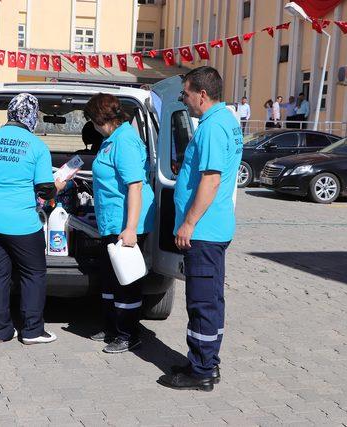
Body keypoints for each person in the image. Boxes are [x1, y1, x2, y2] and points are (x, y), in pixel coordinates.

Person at [158, 66, 242, 391]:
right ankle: (204, 361)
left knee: (202, 302)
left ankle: (202, 371)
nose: (183, 98)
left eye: (185, 92)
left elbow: (211, 179)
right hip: (214, 229)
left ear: (202, 95)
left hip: (204, 231)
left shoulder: (212, 129)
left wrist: (188, 223)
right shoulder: (224, 122)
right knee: (211, 300)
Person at [0, 93, 66, 345]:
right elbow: (44, 189)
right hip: (22, 224)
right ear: (31, 116)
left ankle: (1, 331)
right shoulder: (36, 146)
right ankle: (32, 331)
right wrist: (59, 186)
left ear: (11, 113)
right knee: (33, 273)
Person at [84, 93, 155, 354]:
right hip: (111, 221)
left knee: (126, 281)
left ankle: (128, 334)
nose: (91, 124)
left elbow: (134, 186)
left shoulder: (124, 140)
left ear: (100, 118)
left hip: (125, 223)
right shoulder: (110, 140)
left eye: (92, 119)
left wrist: (131, 229)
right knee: (110, 278)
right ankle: (112, 327)